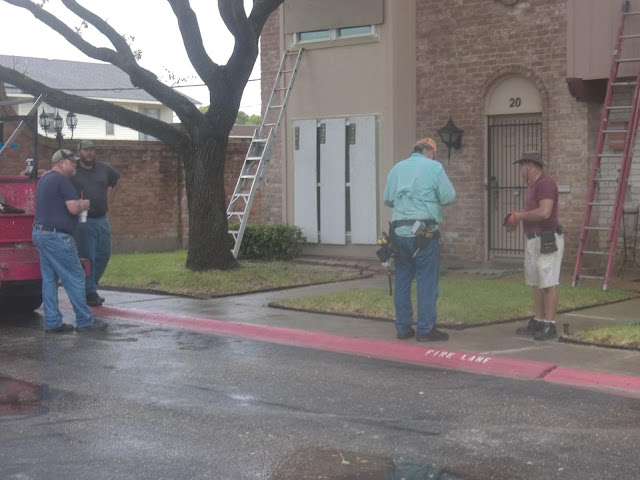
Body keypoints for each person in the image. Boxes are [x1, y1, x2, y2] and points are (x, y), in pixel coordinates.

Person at [383, 138, 456, 342]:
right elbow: (449, 196)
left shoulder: (397, 168)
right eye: (434, 154)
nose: (434, 157)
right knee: (426, 281)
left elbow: (387, 199)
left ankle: (403, 328)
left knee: (402, 279)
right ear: (429, 151)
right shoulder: (434, 167)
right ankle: (425, 330)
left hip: (399, 232)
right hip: (424, 233)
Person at [32, 149, 108, 332]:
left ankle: (53, 322)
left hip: (40, 233)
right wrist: (85, 203)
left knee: (49, 279)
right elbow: (73, 208)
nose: (75, 164)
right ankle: (85, 320)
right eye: (71, 161)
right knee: (76, 276)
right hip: (57, 237)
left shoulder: (44, 179)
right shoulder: (62, 180)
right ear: (60, 163)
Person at [505, 151, 564, 341]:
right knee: (537, 282)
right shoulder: (532, 186)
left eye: (521, 166)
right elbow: (534, 213)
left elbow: (545, 212)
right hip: (534, 238)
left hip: (547, 238)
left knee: (548, 281)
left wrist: (519, 216)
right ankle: (539, 320)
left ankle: (550, 324)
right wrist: (517, 220)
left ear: (530, 165)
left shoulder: (545, 184)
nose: (520, 169)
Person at [71, 140, 120, 307]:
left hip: (102, 219)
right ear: (79, 152)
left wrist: (109, 202)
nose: (89, 153)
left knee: (104, 255)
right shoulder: (73, 170)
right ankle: (89, 292)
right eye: (85, 150)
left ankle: (91, 287)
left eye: (91, 149)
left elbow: (117, 181)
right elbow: (55, 173)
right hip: (83, 220)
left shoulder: (104, 168)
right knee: (87, 257)